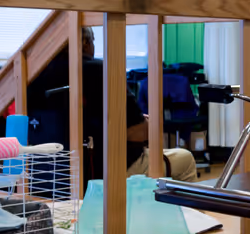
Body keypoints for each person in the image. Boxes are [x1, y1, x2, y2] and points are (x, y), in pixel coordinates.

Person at [79, 25, 196, 182]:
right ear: (86, 42)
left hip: (66, 172)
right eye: (93, 41)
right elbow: (138, 133)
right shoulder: (101, 70)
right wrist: (146, 123)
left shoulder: (46, 71)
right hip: (114, 166)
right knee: (186, 159)